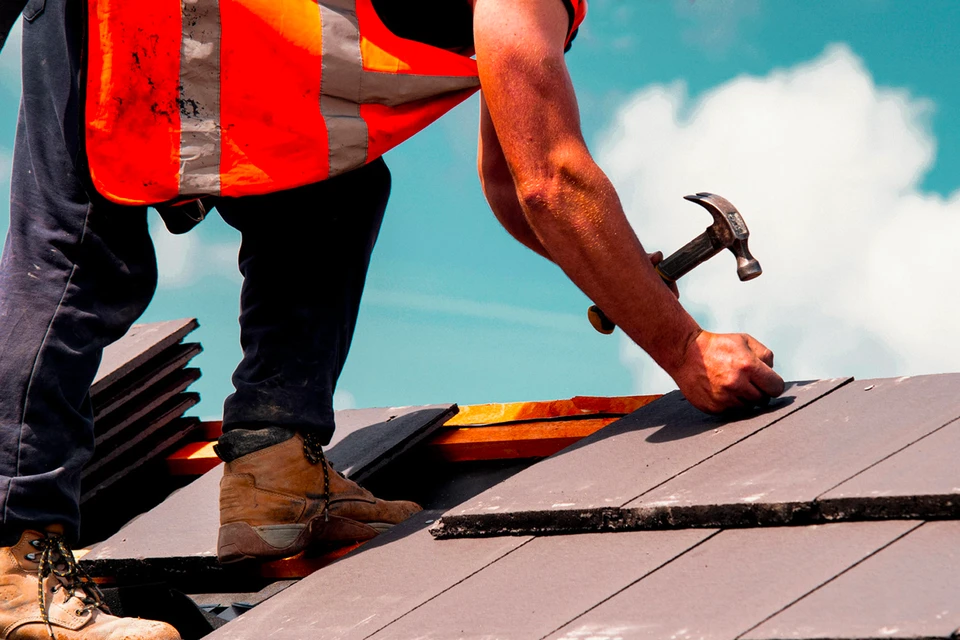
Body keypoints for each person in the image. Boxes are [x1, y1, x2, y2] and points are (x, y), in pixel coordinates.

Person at [0, 0, 784, 637]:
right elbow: (549, 182)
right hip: (119, 19)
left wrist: (646, 298)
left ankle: (274, 478)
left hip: (239, 33)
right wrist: (683, 347)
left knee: (331, 191)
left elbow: (514, 181)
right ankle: (12, 561)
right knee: (78, 258)